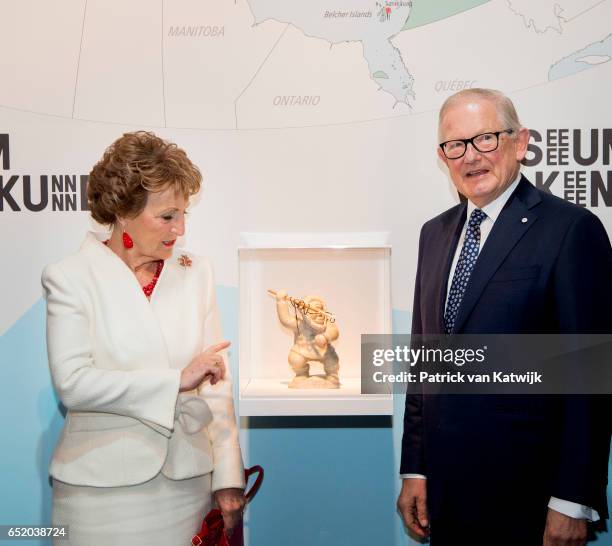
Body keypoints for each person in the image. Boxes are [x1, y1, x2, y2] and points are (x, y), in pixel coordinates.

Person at [397, 89, 611, 545]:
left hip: (531, 500)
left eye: (486, 139)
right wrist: (415, 467)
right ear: (443, 156)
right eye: (455, 145)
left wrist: (571, 500)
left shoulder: (571, 230)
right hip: (447, 494)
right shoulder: (433, 235)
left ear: (520, 143)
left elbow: (589, 379)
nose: (470, 156)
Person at [42, 131, 245, 544]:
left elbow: (216, 386)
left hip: (186, 484)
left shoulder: (196, 271)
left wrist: (227, 475)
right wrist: (176, 380)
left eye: (184, 214)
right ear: (123, 211)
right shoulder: (70, 277)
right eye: (168, 216)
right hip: (97, 490)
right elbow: (73, 383)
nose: (180, 229)